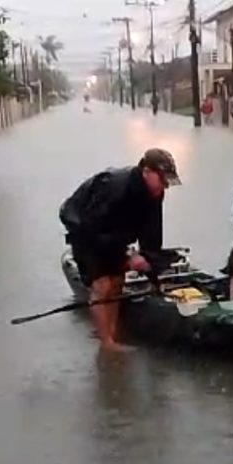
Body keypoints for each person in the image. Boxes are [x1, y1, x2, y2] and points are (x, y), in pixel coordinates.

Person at [59, 148, 181, 351]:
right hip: (84, 226)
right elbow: (96, 228)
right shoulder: (117, 188)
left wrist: (150, 264)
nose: (165, 186)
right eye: (162, 179)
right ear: (146, 171)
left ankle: (112, 332)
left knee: (117, 280)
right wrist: (128, 254)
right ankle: (106, 343)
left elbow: (152, 232)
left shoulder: (155, 192)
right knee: (102, 283)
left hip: (112, 233)